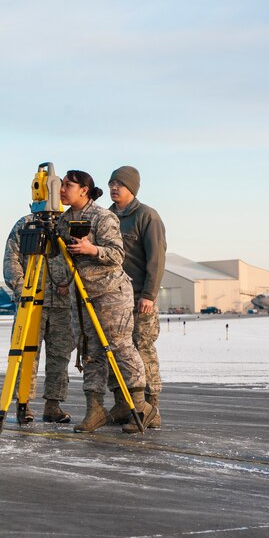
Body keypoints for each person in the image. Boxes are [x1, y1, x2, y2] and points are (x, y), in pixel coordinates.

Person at [55, 170, 157, 433]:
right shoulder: (63, 221)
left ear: (84, 190)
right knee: (89, 351)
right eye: (61, 185)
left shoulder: (103, 217)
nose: (62, 189)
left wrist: (92, 249)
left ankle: (141, 407)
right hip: (83, 296)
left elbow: (117, 254)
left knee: (121, 347)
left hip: (110, 293)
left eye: (68, 185)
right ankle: (95, 409)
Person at [107, 166, 167, 431]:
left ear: (132, 188)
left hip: (139, 298)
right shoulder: (106, 216)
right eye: (111, 183)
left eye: (120, 183)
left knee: (142, 350)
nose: (114, 188)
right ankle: (123, 404)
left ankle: (150, 407)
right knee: (117, 353)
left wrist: (149, 295)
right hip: (112, 299)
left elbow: (157, 259)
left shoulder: (147, 217)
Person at [3, 214, 75, 423]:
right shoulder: (26, 225)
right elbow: (11, 259)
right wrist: (21, 288)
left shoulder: (69, 223)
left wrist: (69, 283)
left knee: (60, 357)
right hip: (31, 302)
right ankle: (23, 404)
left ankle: (53, 405)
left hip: (62, 305)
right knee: (26, 355)